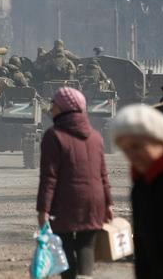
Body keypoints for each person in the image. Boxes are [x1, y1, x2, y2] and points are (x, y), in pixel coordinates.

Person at [110, 104, 163, 279]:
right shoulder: (142, 184)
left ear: (159, 140)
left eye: (136, 146)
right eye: (125, 149)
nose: (131, 155)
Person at [36, 87, 113, 279]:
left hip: (65, 202)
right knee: (87, 245)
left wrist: (43, 209)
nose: (51, 108)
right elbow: (103, 174)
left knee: (65, 247)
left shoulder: (53, 136)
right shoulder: (95, 136)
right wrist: (108, 203)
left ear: (63, 108)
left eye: (54, 104)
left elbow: (49, 177)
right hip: (94, 201)